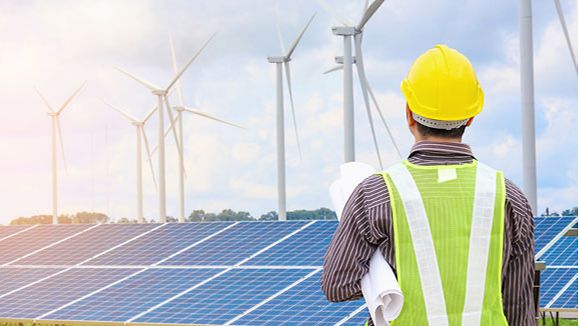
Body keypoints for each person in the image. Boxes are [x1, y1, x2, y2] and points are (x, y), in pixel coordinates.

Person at [321, 44, 535, 325]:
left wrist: (386, 278)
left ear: (409, 113)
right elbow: (519, 306)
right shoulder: (509, 197)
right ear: (471, 117)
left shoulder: (373, 195)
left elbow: (338, 286)